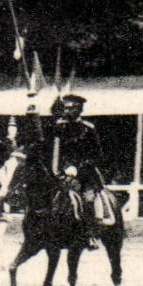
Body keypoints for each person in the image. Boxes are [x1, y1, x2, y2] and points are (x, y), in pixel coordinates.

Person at [46, 92, 109, 249]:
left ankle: (91, 235)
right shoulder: (61, 127)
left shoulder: (88, 129)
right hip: (63, 172)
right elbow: (47, 139)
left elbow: (97, 156)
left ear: (80, 110)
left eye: (72, 108)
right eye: (66, 108)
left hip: (86, 174)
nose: (68, 111)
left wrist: (78, 168)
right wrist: (52, 110)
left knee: (88, 200)